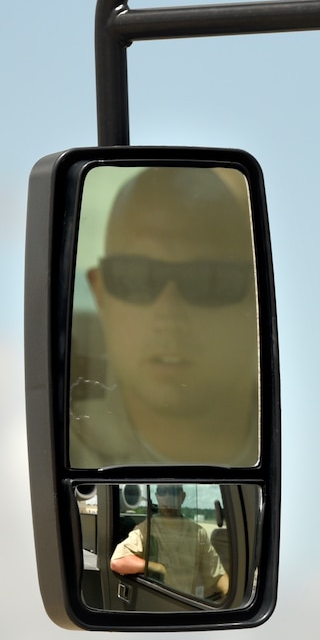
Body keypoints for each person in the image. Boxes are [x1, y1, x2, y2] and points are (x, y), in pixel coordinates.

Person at [70, 166, 259, 467]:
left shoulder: (289, 437)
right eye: (137, 277)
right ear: (100, 293)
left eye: (207, 281)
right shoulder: (69, 447)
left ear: (257, 298)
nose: (169, 312)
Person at [108, 485, 230, 602]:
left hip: (189, 604)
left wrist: (233, 601)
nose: (167, 496)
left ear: (182, 496)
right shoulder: (147, 529)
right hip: (163, 601)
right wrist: (158, 568)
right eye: (162, 492)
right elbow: (118, 561)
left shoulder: (198, 533)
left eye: (172, 492)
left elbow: (216, 575)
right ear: (157, 496)